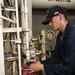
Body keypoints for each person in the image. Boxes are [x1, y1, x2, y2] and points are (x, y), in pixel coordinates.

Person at [29, 5, 75, 75]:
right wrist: (40, 63)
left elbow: (68, 69)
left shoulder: (72, 36)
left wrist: (42, 67)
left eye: (51, 20)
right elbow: (56, 59)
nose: (50, 24)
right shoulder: (60, 36)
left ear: (60, 17)